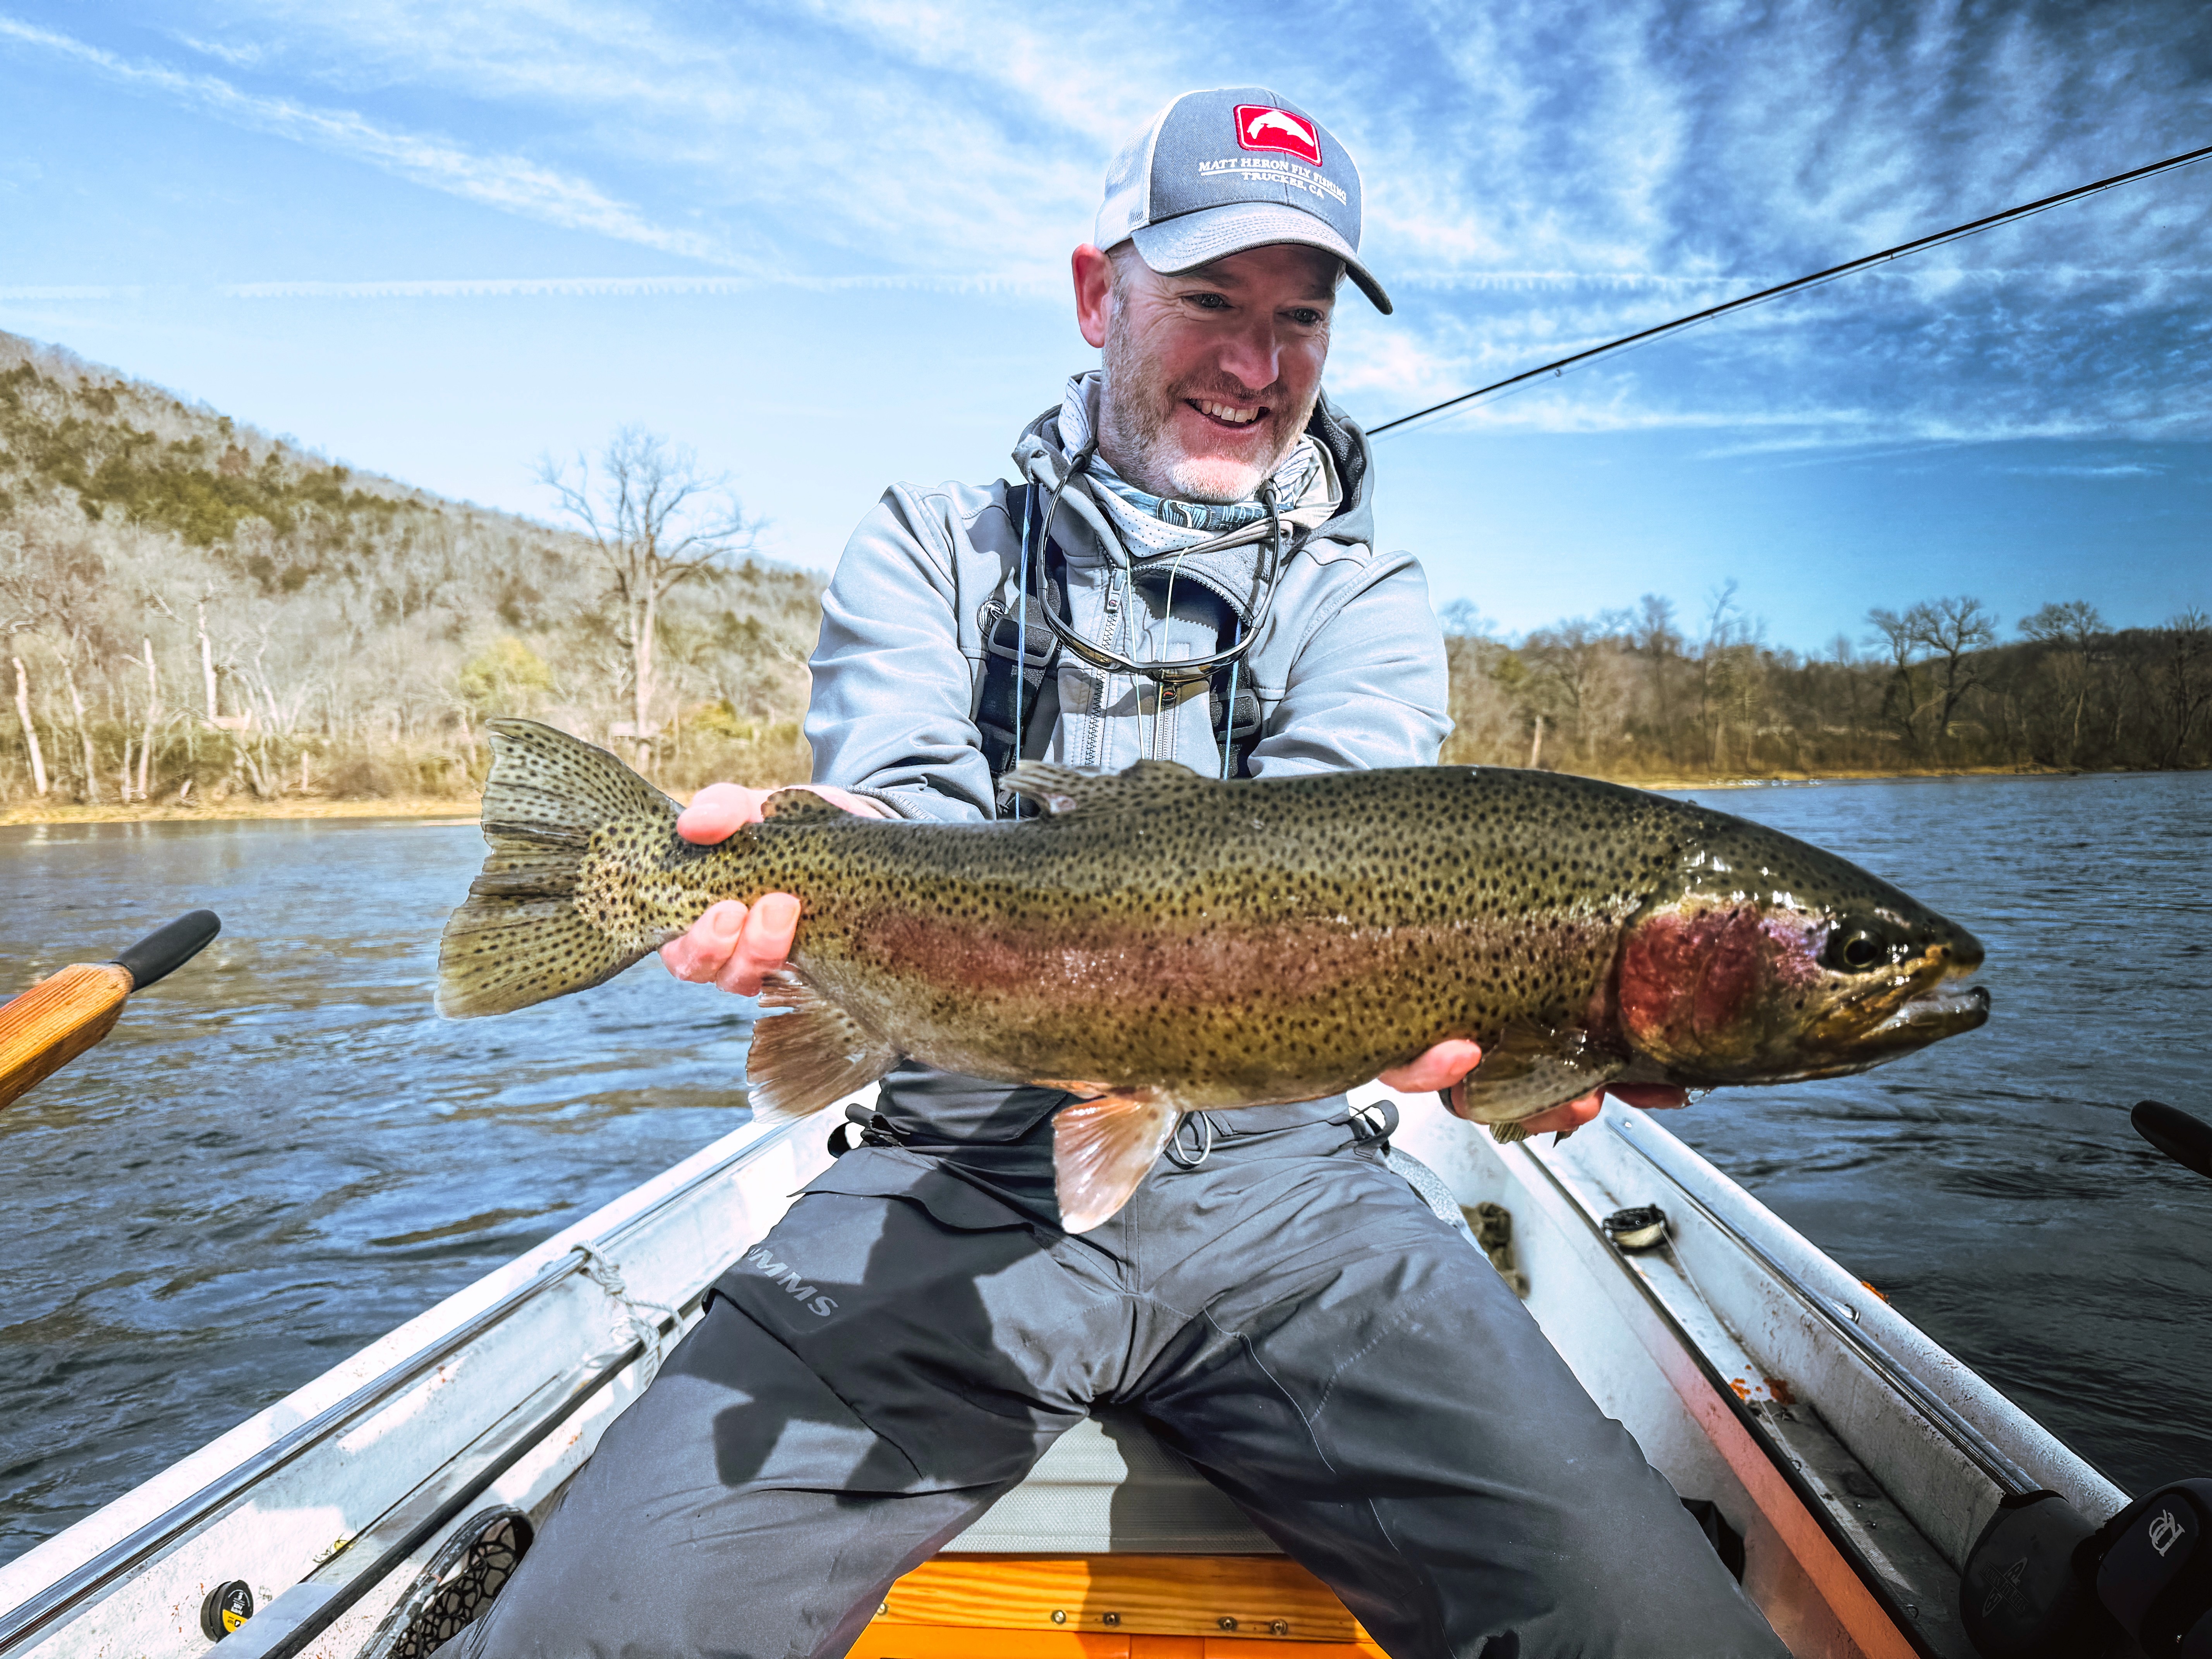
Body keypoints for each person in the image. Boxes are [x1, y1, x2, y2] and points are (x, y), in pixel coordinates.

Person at [456, 88, 1788, 1659]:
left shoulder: (1369, 596)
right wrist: (813, 865)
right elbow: (897, 811)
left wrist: (1534, 1026)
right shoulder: (932, 545)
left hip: (1296, 1200)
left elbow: (1334, 870)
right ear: (1100, 293)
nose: (1255, 362)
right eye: (1211, 301)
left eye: (1299, 321)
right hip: (951, 1172)